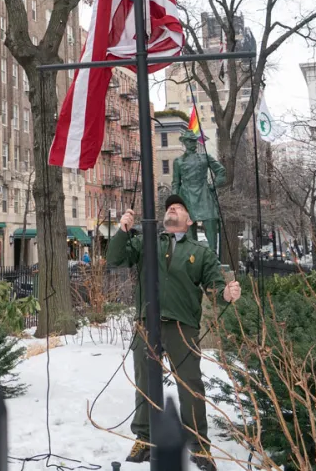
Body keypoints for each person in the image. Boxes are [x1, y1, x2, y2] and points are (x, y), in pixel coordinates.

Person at [107, 195, 241, 471]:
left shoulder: (200, 252)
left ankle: (200, 447)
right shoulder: (147, 243)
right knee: (145, 383)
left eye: (178, 208)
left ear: (189, 221)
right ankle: (144, 439)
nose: (172, 208)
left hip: (182, 327)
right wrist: (122, 230)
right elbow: (116, 258)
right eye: (170, 207)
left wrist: (227, 293)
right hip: (147, 325)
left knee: (191, 387)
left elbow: (215, 288)